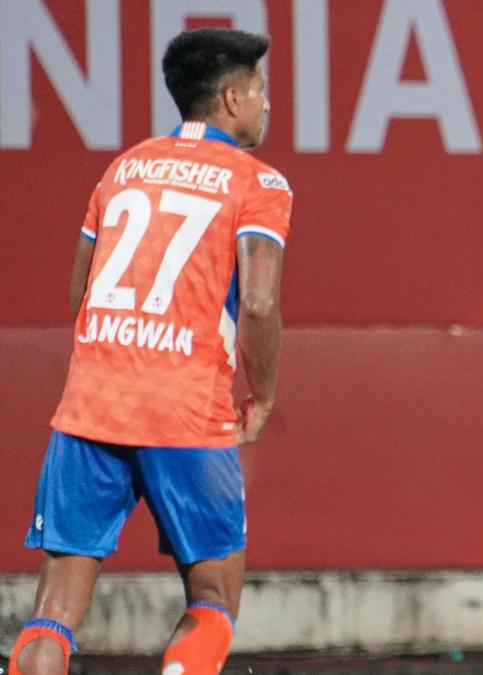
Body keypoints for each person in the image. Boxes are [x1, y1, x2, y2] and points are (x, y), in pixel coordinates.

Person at [7, 27, 292, 675]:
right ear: (231, 99)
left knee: (53, 611)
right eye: (260, 90)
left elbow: (80, 292)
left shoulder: (123, 168)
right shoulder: (259, 183)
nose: (267, 103)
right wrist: (263, 394)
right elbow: (258, 302)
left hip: (90, 406)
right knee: (213, 599)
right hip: (186, 410)